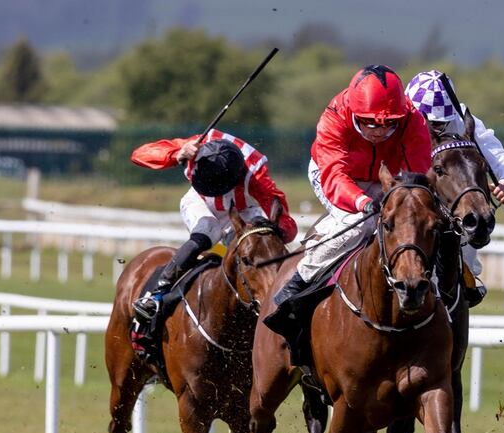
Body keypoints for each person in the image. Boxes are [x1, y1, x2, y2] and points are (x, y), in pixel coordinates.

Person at [266, 64, 432, 330]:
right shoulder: (334, 116)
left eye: (389, 123)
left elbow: (418, 170)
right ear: (354, 113)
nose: (379, 130)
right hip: (334, 174)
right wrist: (363, 202)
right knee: (361, 223)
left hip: (385, 177)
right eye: (369, 122)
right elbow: (335, 175)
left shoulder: (412, 118)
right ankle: (299, 281)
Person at [129, 129, 298, 321]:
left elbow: (288, 226)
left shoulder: (256, 174)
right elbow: (139, 155)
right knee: (207, 231)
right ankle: (157, 294)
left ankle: (283, 297)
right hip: (199, 201)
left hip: (241, 209)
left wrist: (271, 230)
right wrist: (178, 154)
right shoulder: (199, 144)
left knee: (254, 245)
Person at [404, 69, 504, 306]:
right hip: (407, 195)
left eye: (440, 121)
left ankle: (466, 278)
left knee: (468, 222)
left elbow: (502, 159)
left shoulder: (464, 121)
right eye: (431, 120)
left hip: (447, 204)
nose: (436, 127)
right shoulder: (399, 122)